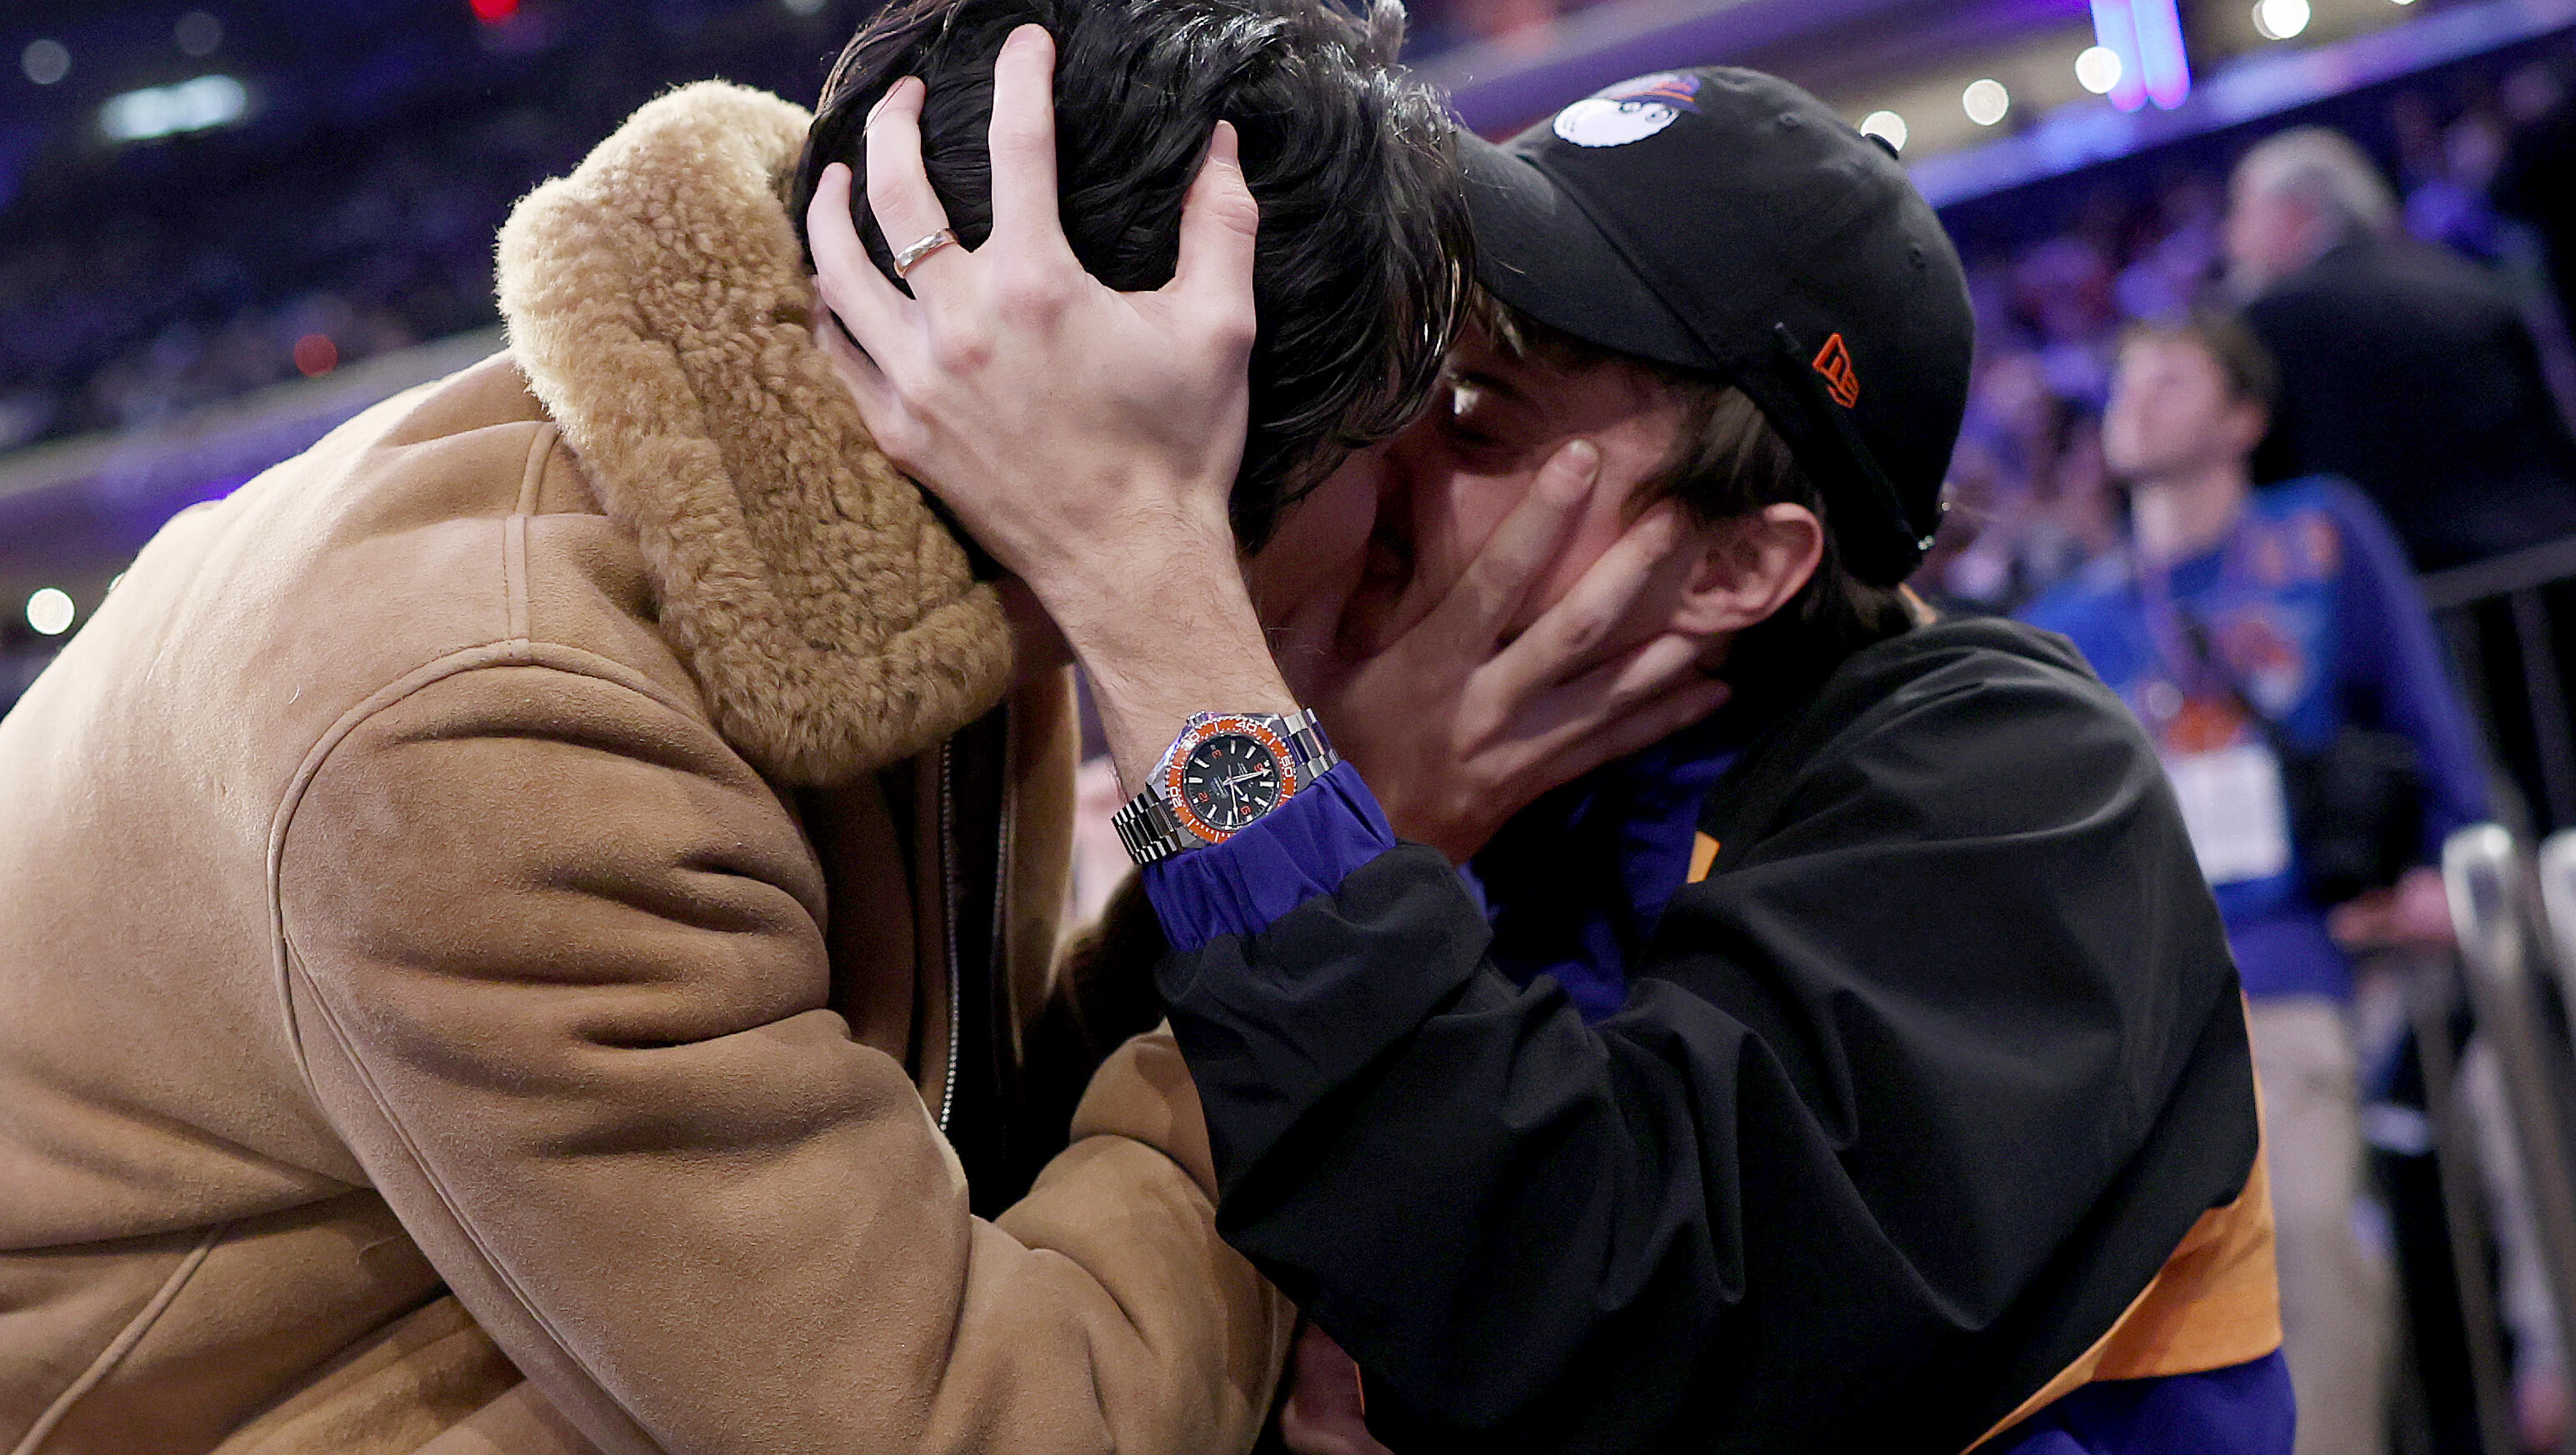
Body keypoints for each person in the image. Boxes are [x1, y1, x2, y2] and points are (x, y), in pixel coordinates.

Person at [0, 0, 1524, 1448]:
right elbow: (995, 1427)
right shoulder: (508, 741)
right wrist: (1324, 873)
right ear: (1161, 436)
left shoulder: (876, 500)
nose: (1425, 508)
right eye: (1404, 438)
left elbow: (955, 1131)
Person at [814, 63, 2293, 1452]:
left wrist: (1155, 597)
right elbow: (1057, 1188)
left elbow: (1602, 1305)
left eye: (1476, 414)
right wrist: (1369, 807)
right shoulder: (1490, 750)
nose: (1385, 451)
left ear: (1733, 566)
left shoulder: (2008, 774)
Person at [2023, 313, 2491, 1455]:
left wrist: (2453, 851)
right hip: (2136, 1002)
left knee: (2309, 1240)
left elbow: (2424, 712)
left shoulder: (2319, 533)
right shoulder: (2064, 618)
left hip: (2282, 957)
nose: (2135, 394)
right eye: (2124, 374)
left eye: (2171, 374)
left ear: (2242, 417)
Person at [2227, 126, 2576, 573]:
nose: (2230, 235)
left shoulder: (2269, 322)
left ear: (2291, 213)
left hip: (2409, 584)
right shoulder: (2464, 279)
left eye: (2240, 211)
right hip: (2544, 562)